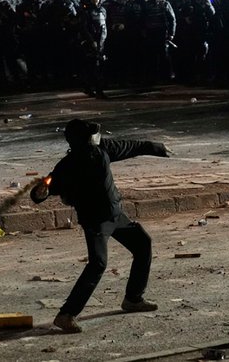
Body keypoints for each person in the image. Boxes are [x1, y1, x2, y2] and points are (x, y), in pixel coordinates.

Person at [30, 118, 173, 333]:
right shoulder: (67, 166)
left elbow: (131, 146)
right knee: (98, 264)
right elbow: (45, 189)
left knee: (143, 244)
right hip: (95, 221)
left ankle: (133, 299)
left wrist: (157, 148)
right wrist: (40, 192)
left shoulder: (103, 149)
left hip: (116, 216)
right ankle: (66, 315)